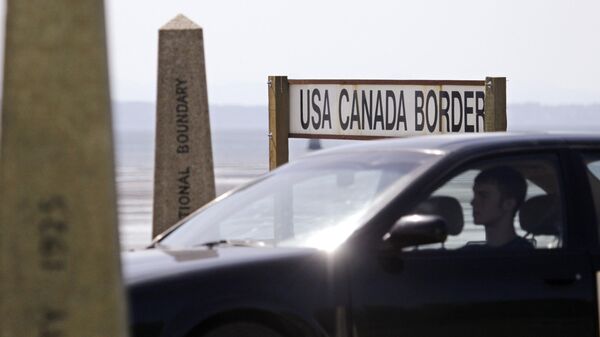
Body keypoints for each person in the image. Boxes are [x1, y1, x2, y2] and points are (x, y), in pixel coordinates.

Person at [469, 166, 533, 250]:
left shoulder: (525, 255)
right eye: (475, 195)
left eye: (483, 195)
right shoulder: (471, 253)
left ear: (508, 204)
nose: (472, 202)